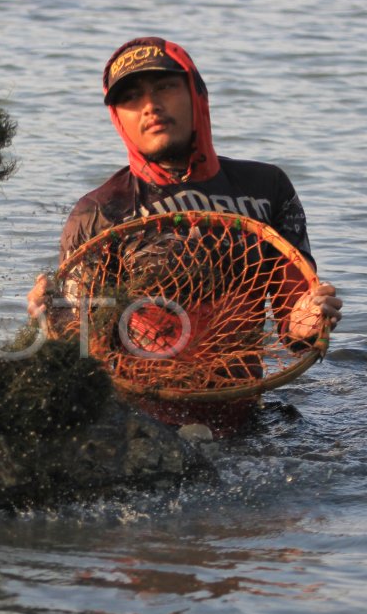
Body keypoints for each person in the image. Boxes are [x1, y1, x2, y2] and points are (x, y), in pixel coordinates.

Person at [27, 37, 343, 428]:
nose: (150, 106)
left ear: (196, 94)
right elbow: (82, 345)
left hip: (243, 416)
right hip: (142, 420)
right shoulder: (99, 213)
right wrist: (50, 321)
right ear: (118, 118)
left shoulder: (266, 190)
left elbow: (294, 324)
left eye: (165, 87)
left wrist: (312, 316)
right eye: (131, 97)